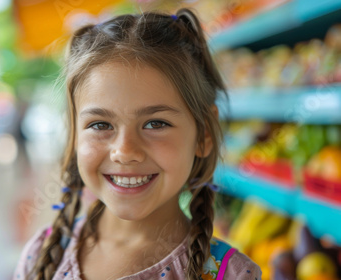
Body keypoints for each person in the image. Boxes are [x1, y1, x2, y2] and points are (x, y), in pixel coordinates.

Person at [13, 8, 262, 280]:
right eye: (100, 125)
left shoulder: (233, 275)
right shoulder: (41, 257)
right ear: (74, 135)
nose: (125, 151)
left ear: (203, 134)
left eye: (155, 124)